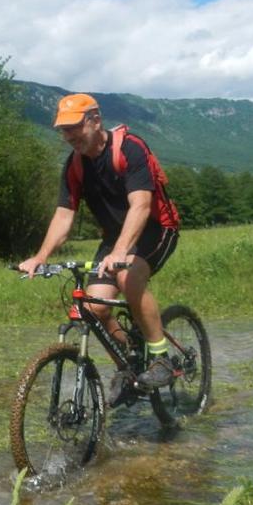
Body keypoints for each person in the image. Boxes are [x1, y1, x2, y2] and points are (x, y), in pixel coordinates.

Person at [18, 93, 179, 402]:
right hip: (115, 237)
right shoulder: (75, 166)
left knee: (127, 276)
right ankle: (130, 363)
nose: (68, 136)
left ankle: (161, 359)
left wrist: (121, 253)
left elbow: (141, 206)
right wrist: (40, 257)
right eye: (63, 130)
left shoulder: (130, 148)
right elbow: (64, 215)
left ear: (95, 120)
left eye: (74, 127)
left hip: (156, 228)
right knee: (93, 307)